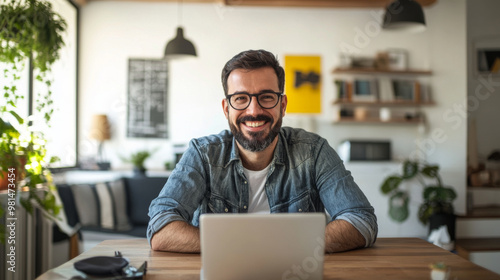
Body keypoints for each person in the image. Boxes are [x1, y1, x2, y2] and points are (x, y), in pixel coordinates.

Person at [147, 49, 377, 253]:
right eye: (240, 98)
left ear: (283, 105)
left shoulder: (314, 152)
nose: (254, 110)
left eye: (267, 97)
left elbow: (361, 220)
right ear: (226, 109)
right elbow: (161, 228)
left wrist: (273, 248)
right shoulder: (203, 154)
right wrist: (250, 247)